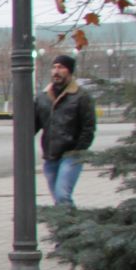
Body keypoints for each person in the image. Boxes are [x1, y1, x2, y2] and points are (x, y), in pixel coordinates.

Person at [34, 54, 96, 207]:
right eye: (54, 67)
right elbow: (33, 125)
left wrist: (78, 150)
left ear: (69, 71)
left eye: (61, 67)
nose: (56, 71)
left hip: (71, 155)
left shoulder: (81, 96)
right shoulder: (43, 97)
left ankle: (69, 230)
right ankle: (68, 227)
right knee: (58, 197)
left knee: (62, 195)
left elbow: (88, 127)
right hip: (51, 155)